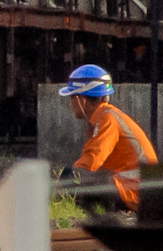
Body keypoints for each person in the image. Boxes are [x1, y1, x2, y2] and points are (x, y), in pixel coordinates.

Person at [60, 64, 155, 209]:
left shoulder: (107, 119)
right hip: (139, 191)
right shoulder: (107, 116)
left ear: (81, 99)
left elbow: (92, 161)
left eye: (71, 97)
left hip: (133, 192)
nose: (71, 103)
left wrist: (61, 182)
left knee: (70, 175)